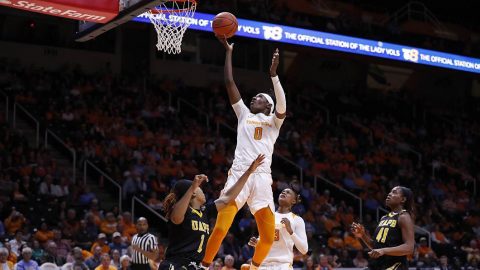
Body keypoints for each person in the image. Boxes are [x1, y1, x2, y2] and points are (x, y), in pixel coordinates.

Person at [202, 36, 287, 270]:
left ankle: (254, 266)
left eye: (259, 97)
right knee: (220, 228)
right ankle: (204, 265)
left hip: (261, 177)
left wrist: (274, 75)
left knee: (268, 236)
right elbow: (229, 82)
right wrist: (228, 52)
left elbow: (283, 106)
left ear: (267, 106)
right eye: (255, 96)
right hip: (240, 174)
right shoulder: (243, 115)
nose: (254, 98)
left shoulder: (273, 122)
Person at [159, 155, 265, 270]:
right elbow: (176, 217)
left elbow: (228, 197)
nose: (202, 190)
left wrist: (249, 172)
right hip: (175, 264)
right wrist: (192, 187)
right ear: (193, 193)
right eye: (199, 188)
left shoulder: (206, 211)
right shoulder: (182, 211)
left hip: (193, 266)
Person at [351, 186, 415, 270]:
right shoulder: (384, 218)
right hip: (378, 264)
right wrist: (362, 235)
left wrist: (383, 251)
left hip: (395, 265)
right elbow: (376, 247)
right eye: (390, 192)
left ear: (403, 199)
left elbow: (409, 247)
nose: (389, 194)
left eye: (394, 192)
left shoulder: (403, 216)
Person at [248, 186, 308, 270]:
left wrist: (291, 232)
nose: (284, 193)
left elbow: (304, 250)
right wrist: (257, 242)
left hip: (283, 265)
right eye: (283, 191)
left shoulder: (297, 220)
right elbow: (266, 240)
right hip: (263, 263)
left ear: (293, 201)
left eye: (288, 192)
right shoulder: (268, 216)